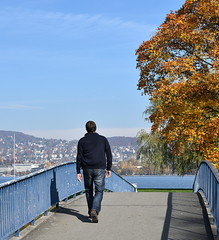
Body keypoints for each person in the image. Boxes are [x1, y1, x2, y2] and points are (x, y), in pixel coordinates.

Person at [76, 121, 112, 223]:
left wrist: (78, 171)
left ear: (86, 129)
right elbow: (109, 155)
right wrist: (108, 168)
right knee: (99, 190)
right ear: (95, 128)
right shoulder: (103, 139)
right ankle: (94, 209)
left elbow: (79, 157)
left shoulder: (82, 141)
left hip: (87, 168)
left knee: (88, 190)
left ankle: (91, 210)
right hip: (100, 168)